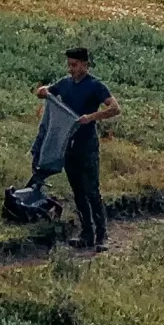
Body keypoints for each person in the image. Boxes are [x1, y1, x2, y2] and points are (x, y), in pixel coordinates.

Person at [36, 47, 119, 251]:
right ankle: (86, 234)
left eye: (75, 65)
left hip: (87, 145)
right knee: (78, 191)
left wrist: (90, 117)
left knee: (92, 190)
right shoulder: (64, 84)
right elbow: (44, 92)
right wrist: (43, 91)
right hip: (69, 145)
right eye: (69, 65)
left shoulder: (95, 86)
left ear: (85, 65)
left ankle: (102, 235)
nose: (71, 69)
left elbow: (115, 108)